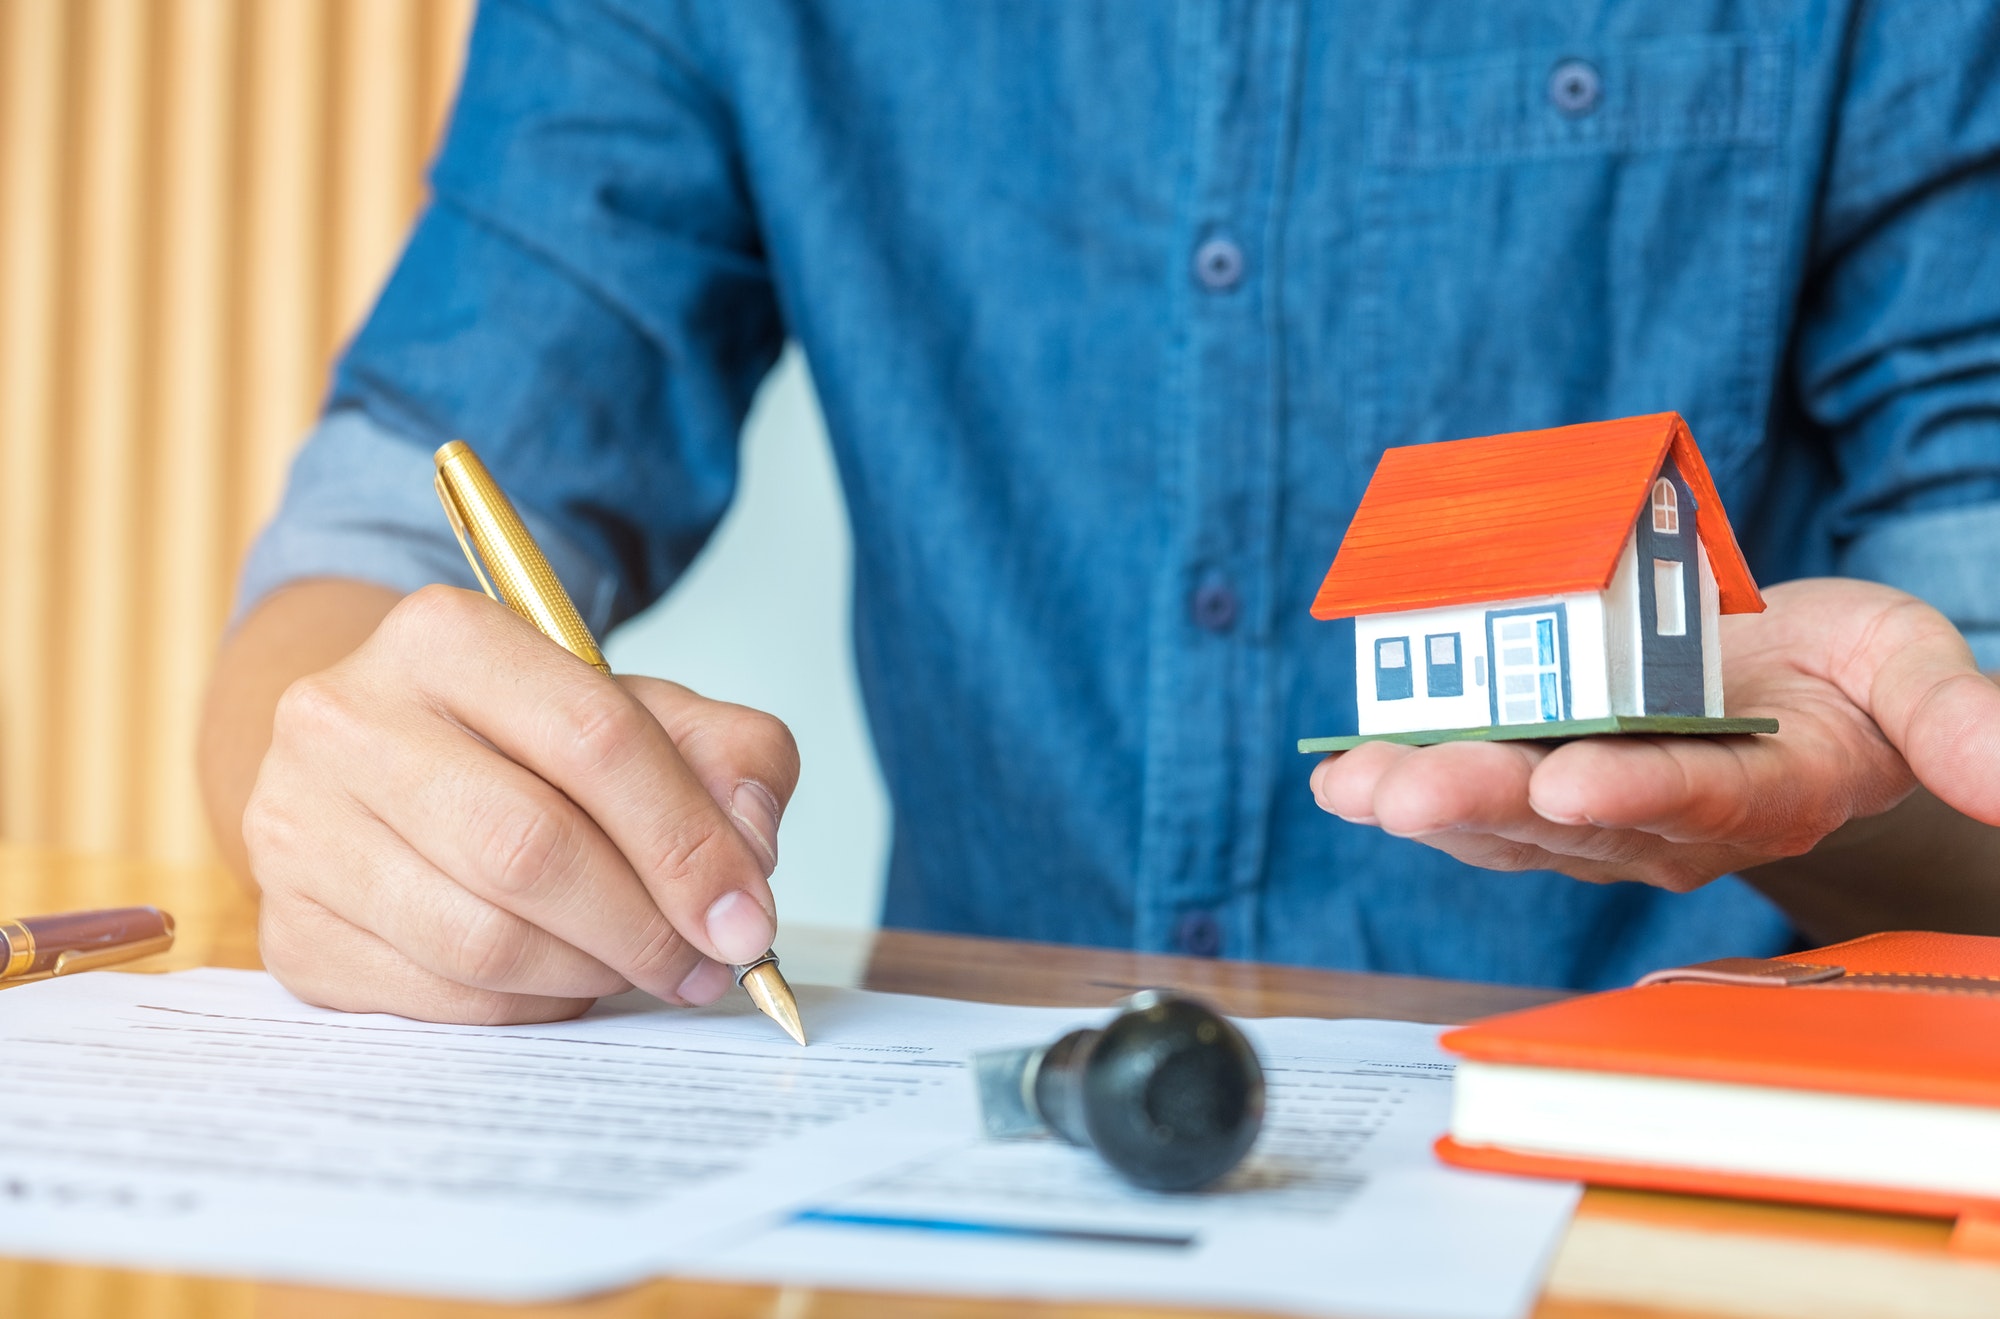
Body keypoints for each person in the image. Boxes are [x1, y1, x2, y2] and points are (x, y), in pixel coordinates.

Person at [199, 2, 2000, 1025]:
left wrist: (1872, 778)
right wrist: (375, 781)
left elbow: (1962, 689)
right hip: (964, 1177)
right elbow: (383, 526)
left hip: (1671, 1212)